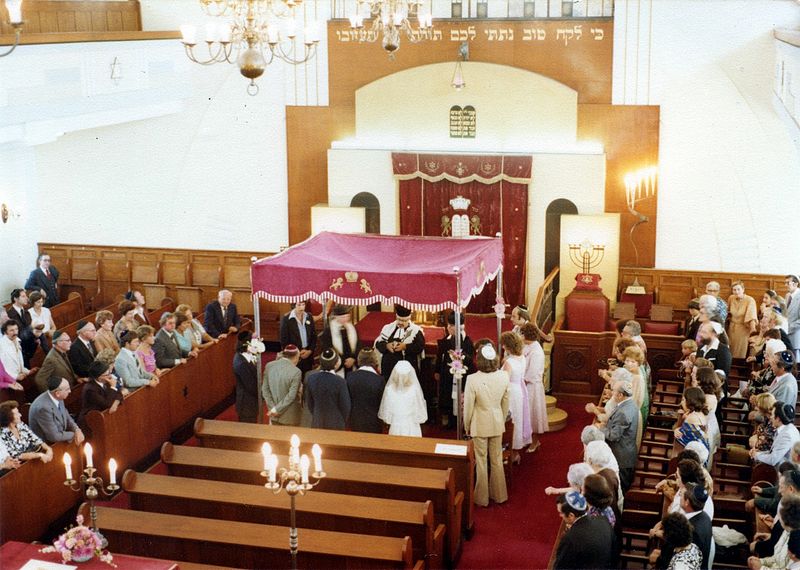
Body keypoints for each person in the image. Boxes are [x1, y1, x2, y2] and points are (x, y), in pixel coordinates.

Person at [464, 342, 510, 507]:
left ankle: (481, 498)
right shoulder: (504, 376)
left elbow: (468, 406)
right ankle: (499, 495)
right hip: (497, 421)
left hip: (479, 424)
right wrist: (501, 419)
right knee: (497, 459)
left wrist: (466, 424)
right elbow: (506, 403)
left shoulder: (472, 379)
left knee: (481, 462)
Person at [553, 491, 616, 569]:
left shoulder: (570, 538)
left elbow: (560, 567)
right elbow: (614, 549)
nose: (560, 516)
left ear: (571, 515)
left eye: (560, 513)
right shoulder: (603, 520)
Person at [435, 311, 474, 430]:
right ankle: (449, 420)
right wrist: (437, 370)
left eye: (451, 326)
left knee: (458, 398)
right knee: (447, 397)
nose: (448, 328)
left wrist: (460, 357)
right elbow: (439, 356)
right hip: (447, 374)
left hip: (461, 375)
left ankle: (460, 421)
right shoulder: (446, 339)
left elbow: (470, 359)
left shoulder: (467, 341)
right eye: (448, 325)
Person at [602, 380, 639, 492]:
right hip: (626, 451)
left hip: (621, 456)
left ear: (620, 395)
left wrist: (601, 429)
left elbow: (614, 436)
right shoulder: (631, 403)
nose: (612, 393)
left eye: (613, 391)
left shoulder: (623, 411)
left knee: (620, 489)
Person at [500, 330, 532, 461]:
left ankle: (511, 452)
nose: (502, 347)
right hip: (519, 391)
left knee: (510, 420)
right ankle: (515, 451)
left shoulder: (509, 362)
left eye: (504, 345)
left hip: (510, 393)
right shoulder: (522, 358)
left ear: (508, 346)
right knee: (517, 419)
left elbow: (504, 380)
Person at [748, 494, 800, 570]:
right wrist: (761, 562)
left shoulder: (796, 541)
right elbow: (777, 558)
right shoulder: (787, 531)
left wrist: (761, 568)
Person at [28, 376, 84, 444]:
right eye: (67, 389)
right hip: (48, 445)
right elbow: (54, 437)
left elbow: (66, 416)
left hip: (61, 435)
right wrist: (74, 434)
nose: (70, 391)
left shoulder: (57, 396)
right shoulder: (43, 408)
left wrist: (76, 430)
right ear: (57, 393)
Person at [378, 360, 427, 436]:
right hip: (412, 426)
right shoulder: (414, 389)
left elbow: (386, 412)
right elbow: (419, 411)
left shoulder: (389, 389)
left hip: (395, 426)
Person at [305, 348, 351, 430]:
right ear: (336, 364)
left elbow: (309, 403)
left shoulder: (311, 379)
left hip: (317, 422)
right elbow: (346, 407)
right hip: (336, 424)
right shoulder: (340, 382)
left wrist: (317, 414)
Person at [375, 305, 425, 378]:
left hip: (407, 371)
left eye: (404, 321)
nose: (401, 323)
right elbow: (378, 343)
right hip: (389, 370)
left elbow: (420, 347)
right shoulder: (388, 328)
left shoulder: (416, 330)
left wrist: (405, 347)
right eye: (399, 320)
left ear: (408, 319)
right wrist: (387, 346)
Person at [520, 322, 547, 452]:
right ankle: (527, 439)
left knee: (533, 415)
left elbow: (533, 372)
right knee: (526, 414)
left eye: (522, 333)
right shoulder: (527, 346)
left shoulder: (537, 351)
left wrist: (521, 380)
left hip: (532, 387)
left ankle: (535, 441)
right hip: (524, 385)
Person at [346, 348, 386, 433]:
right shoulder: (379, 380)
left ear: (359, 359)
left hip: (354, 422)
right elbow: (382, 403)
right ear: (374, 360)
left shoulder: (350, 377)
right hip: (374, 423)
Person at [263, 344, 303, 426]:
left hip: (273, 415)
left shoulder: (269, 365)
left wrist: (273, 408)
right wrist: (277, 410)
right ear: (296, 357)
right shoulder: (296, 371)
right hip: (290, 417)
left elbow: (265, 390)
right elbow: (291, 396)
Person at [752, 403, 800, 468]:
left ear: (778, 418)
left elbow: (773, 460)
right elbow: (774, 452)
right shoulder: (789, 428)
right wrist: (759, 453)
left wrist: (756, 455)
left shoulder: (786, 435)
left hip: (785, 474)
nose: (771, 417)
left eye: (772, 414)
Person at [78, 360, 123, 428]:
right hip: (91, 421)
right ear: (99, 376)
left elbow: (119, 394)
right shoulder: (90, 389)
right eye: (107, 374)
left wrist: (116, 403)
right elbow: (106, 404)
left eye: (110, 373)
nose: (110, 376)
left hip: (104, 417)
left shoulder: (106, 381)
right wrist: (113, 387)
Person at [319, 304, 361, 376]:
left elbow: (358, 345)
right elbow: (327, 348)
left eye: (347, 316)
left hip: (352, 364)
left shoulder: (352, 328)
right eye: (343, 317)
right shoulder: (329, 331)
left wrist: (353, 358)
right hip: (337, 365)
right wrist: (343, 361)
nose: (345, 319)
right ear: (336, 317)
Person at [279, 300, 317, 375]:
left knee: (307, 377)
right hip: (293, 356)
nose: (302, 308)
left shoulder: (309, 316)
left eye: (303, 305)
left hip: (307, 354)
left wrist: (310, 351)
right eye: (299, 305)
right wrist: (296, 353)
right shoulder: (287, 319)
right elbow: (284, 340)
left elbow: (314, 336)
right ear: (294, 305)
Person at [6, 288, 41, 367]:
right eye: (23, 296)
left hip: (29, 346)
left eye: (26, 296)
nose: (27, 298)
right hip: (19, 348)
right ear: (15, 299)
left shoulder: (26, 312)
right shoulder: (10, 314)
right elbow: (17, 334)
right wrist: (32, 329)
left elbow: (30, 330)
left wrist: (35, 338)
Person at [232, 332, 261, 424]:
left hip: (251, 402)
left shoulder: (247, 356)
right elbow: (251, 385)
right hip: (247, 404)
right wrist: (264, 395)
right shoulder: (242, 363)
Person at [728, 281, 759, 359]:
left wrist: (753, 330)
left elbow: (751, 316)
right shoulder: (731, 298)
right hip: (731, 328)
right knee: (730, 348)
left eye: (738, 289)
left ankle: (739, 366)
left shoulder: (750, 300)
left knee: (740, 351)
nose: (736, 292)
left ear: (743, 289)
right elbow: (727, 312)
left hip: (743, 329)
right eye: (734, 290)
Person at [786, 275, 800, 364]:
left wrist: (789, 327)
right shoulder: (787, 296)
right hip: (787, 333)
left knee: (796, 362)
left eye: (788, 283)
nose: (785, 285)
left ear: (795, 284)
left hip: (796, 334)